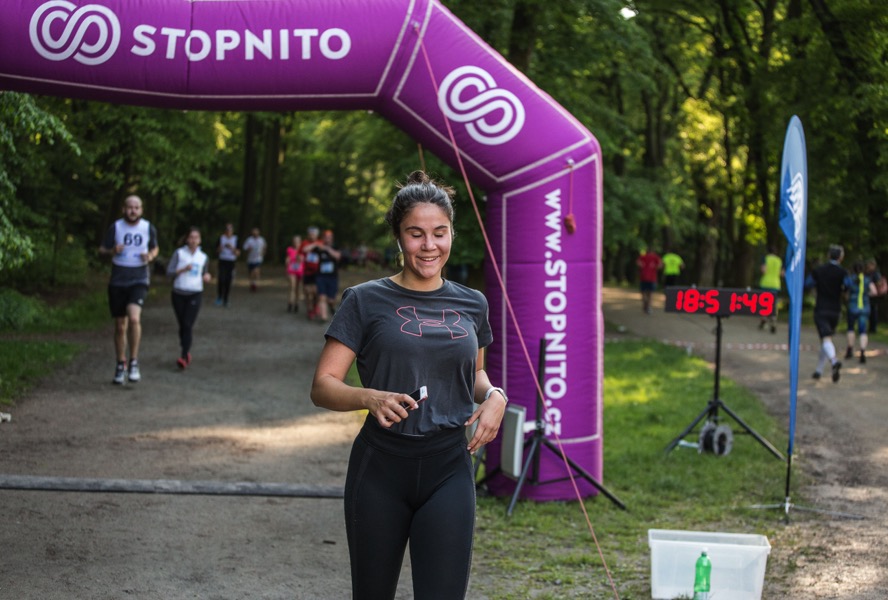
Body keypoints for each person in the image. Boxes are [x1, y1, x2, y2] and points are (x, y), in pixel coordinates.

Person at [310, 171, 507, 600]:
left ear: (452, 233)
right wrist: (369, 396)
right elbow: (323, 385)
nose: (429, 245)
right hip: (381, 467)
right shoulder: (364, 300)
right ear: (399, 237)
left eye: (439, 233)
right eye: (416, 234)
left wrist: (495, 395)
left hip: (448, 466)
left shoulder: (473, 303)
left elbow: (473, 375)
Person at [98, 195, 159, 385]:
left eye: (136, 207)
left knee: (134, 318)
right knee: (120, 326)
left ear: (141, 210)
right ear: (124, 209)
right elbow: (102, 250)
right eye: (130, 207)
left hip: (139, 278)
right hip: (118, 280)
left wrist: (150, 256)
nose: (133, 211)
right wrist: (112, 251)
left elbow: (155, 248)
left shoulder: (148, 227)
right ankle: (120, 363)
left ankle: (134, 361)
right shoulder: (116, 227)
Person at [167, 227, 212, 369]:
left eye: (196, 238)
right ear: (187, 239)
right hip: (178, 293)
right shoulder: (179, 253)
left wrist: (207, 276)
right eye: (191, 237)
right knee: (182, 325)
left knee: (187, 324)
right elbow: (169, 272)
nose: (193, 240)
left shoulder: (203, 257)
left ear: (200, 240)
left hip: (195, 293)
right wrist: (183, 269)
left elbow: (205, 272)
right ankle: (185, 347)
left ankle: (184, 355)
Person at [805, 245, 847, 382]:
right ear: (840, 257)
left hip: (821, 309)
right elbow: (848, 285)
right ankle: (819, 370)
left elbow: (807, 284)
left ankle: (834, 361)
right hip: (835, 310)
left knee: (826, 339)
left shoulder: (819, 270)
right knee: (825, 339)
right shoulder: (843, 272)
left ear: (829, 255)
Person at [843, 261, 877, 364]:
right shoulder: (867, 279)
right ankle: (862, 351)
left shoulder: (850, 279)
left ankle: (850, 349)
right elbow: (874, 292)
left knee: (851, 329)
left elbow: (845, 291)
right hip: (864, 308)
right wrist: (866, 295)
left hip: (852, 307)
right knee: (863, 331)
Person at [313, 229, 342, 322]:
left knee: (331, 300)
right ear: (323, 238)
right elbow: (306, 252)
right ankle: (323, 317)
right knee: (322, 297)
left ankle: (331, 306)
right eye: (325, 237)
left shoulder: (335, 246)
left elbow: (338, 257)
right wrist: (316, 244)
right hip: (321, 276)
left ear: (332, 238)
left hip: (332, 277)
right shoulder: (318, 248)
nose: (327, 239)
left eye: (329, 237)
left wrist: (327, 249)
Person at [758, 246, 784, 334]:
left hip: (765, 283)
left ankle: (764, 319)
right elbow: (782, 273)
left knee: (764, 302)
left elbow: (764, 270)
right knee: (773, 303)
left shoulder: (765, 259)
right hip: (775, 284)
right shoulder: (779, 260)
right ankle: (773, 320)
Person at [299, 226, 321, 318]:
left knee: (316, 291)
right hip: (307, 271)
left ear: (317, 235)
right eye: (310, 234)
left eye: (313, 234)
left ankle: (315, 305)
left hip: (317, 271)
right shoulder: (304, 243)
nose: (311, 236)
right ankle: (309, 309)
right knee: (307, 292)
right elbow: (302, 251)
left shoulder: (320, 243)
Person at [215, 223, 239, 307]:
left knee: (228, 280)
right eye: (227, 230)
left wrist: (232, 248)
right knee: (221, 279)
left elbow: (238, 253)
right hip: (222, 260)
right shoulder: (221, 238)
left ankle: (226, 299)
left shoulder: (235, 239)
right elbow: (216, 251)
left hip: (231, 262)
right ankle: (219, 296)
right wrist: (221, 248)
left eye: (230, 230)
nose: (228, 232)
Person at [636, 246, 662, 314]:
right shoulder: (656, 257)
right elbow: (660, 265)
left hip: (643, 277)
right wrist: (654, 268)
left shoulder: (642, 257)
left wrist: (643, 267)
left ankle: (645, 303)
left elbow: (638, 263)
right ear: (653, 251)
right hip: (652, 278)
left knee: (643, 292)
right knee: (650, 293)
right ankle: (649, 307)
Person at [242, 227, 267, 292]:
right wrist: (248, 249)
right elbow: (244, 247)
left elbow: (264, 247)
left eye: (256, 233)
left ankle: (255, 283)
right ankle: (252, 283)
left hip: (258, 258)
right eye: (254, 233)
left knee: (256, 271)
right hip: (250, 259)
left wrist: (263, 253)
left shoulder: (261, 239)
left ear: (258, 233)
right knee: (251, 273)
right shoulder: (249, 240)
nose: (255, 234)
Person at [285, 234, 304, 313]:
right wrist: (287, 261)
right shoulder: (290, 249)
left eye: (298, 241)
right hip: (291, 270)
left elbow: (303, 260)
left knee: (298, 288)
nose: (296, 243)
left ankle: (297, 304)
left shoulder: (303, 250)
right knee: (292, 286)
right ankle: (290, 303)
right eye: (295, 241)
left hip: (300, 271)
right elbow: (287, 260)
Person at [865, 258, 884, 334]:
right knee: (868, 312)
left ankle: (873, 328)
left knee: (873, 312)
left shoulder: (876, 274)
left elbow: (879, 283)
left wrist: (871, 284)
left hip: (874, 296)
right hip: (867, 295)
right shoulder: (866, 273)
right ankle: (869, 327)